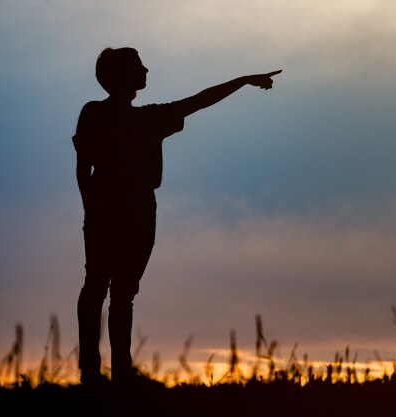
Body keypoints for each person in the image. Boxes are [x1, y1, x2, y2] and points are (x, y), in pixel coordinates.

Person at [72, 47, 281, 385]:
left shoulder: (145, 117)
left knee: (116, 290)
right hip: (113, 209)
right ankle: (95, 372)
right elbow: (83, 165)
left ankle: (115, 373)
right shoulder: (99, 114)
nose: (146, 69)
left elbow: (200, 100)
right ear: (122, 75)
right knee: (103, 288)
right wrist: (91, 207)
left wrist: (243, 81)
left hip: (134, 211)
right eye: (138, 65)